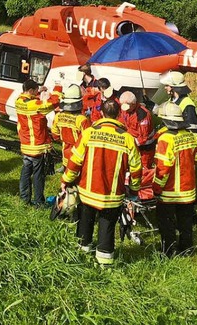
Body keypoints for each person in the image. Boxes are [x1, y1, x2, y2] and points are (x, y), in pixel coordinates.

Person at [61, 99, 142, 266]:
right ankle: (105, 264)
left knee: (85, 224)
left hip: (87, 193)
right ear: (119, 115)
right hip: (112, 196)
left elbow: (74, 160)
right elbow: (136, 168)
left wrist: (66, 180)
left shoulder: (89, 133)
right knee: (107, 228)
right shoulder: (127, 139)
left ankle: (82, 257)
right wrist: (133, 191)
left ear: (103, 114)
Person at [152, 102, 197, 258]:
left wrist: (156, 188)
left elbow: (163, 168)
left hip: (170, 191)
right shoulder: (189, 135)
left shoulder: (166, 139)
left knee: (166, 223)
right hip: (188, 190)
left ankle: (169, 252)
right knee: (185, 222)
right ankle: (187, 250)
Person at [16, 78, 61, 206]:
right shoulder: (34, 105)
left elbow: (31, 99)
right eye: (35, 91)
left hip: (25, 145)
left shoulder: (19, 100)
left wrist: (39, 90)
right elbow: (53, 103)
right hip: (37, 146)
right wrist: (58, 88)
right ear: (31, 91)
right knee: (38, 176)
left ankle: (24, 199)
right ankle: (38, 202)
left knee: (25, 172)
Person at [51, 84, 91, 169]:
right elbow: (88, 138)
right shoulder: (82, 119)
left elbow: (54, 134)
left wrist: (62, 139)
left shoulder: (58, 116)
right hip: (79, 153)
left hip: (65, 150)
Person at [118, 91, 157, 177]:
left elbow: (143, 138)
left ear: (133, 104)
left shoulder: (143, 115)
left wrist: (129, 144)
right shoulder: (125, 110)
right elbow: (121, 123)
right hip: (132, 146)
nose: (126, 110)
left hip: (145, 150)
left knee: (143, 173)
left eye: (127, 107)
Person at [159, 71, 197, 136]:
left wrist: (191, 145)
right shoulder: (172, 100)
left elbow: (194, 129)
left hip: (182, 143)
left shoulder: (188, 104)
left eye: (167, 85)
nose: (165, 88)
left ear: (173, 87)